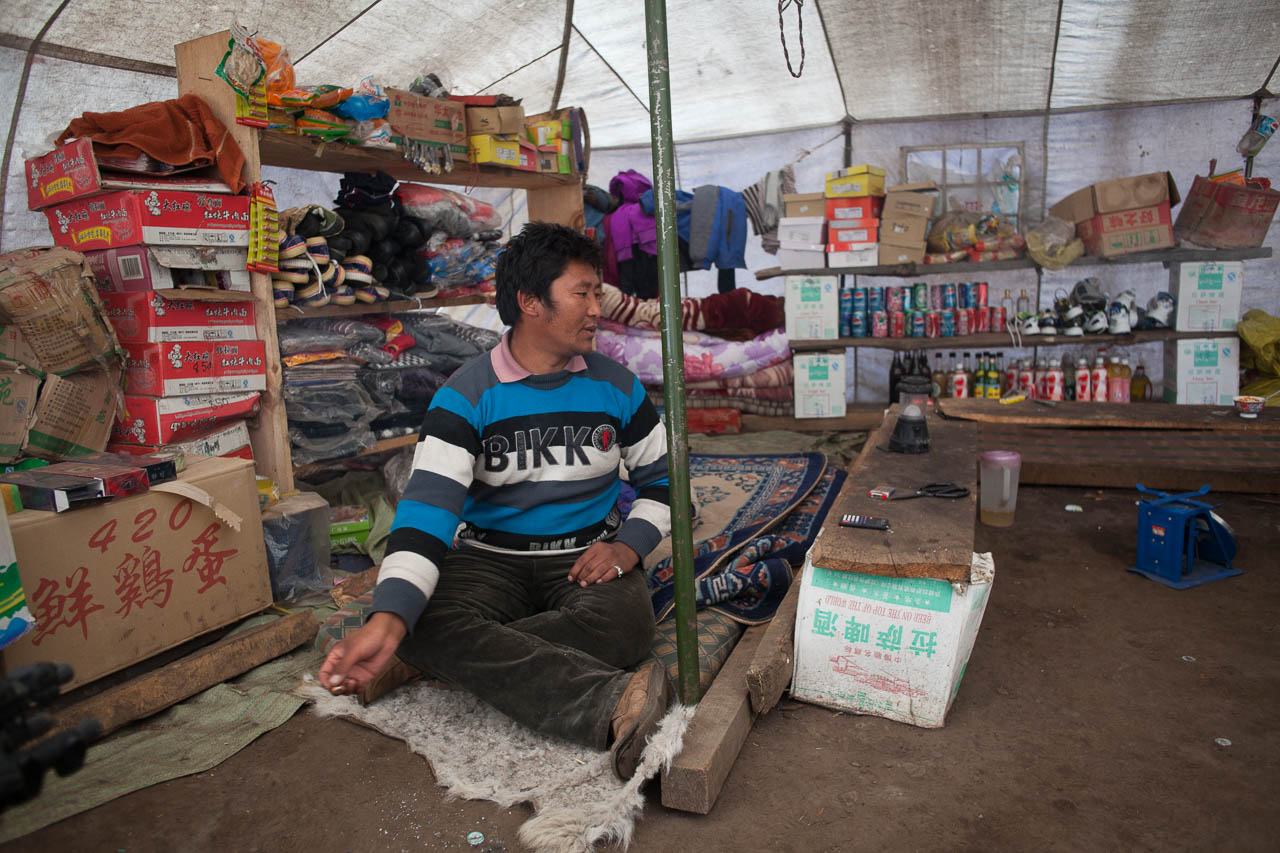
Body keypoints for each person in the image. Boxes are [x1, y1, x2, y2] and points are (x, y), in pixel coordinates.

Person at [319, 222, 673, 780]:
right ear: (530, 302)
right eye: (581, 292)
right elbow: (427, 513)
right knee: (416, 618)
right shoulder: (465, 395)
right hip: (489, 560)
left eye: (594, 292)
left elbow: (664, 484)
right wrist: (390, 619)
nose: (595, 308)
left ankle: (431, 662)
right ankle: (607, 702)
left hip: (586, 558)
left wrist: (628, 547)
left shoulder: (618, 386)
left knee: (627, 627)